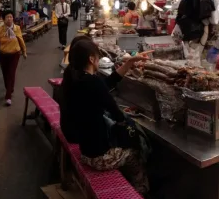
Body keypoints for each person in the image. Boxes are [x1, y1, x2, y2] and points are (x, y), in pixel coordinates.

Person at [61, 38, 152, 193]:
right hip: (99, 158)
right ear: (91, 59)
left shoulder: (75, 79)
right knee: (135, 152)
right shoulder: (93, 82)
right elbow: (117, 114)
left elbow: (109, 82)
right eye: (97, 57)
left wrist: (129, 63)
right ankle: (140, 191)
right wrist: (127, 121)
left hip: (86, 151)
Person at [0, 11, 27, 106]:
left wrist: (24, 51)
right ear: (3, 19)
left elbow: (21, 40)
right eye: (7, 17)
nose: (9, 19)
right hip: (3, 54)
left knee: (11, 73)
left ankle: (8, 97)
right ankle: (9, 88)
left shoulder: (17, 28)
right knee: (5, 74)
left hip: (15, 54)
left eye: (11, 17)